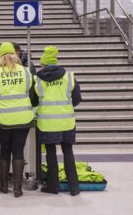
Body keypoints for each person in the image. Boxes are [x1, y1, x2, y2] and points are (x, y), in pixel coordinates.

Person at [0, 42, 36, 197]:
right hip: (23, 117)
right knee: (18, 150)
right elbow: (33, 95)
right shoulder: (26, 72)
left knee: (4, 150)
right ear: (15, 54)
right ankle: (17, 189)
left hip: (2, 118)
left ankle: (3, 187)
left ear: (0, 56)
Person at [32, 46, 81, 196]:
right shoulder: (69, 76)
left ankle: (54, 186)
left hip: (47, 123)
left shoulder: (37, 79)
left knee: (51, 153)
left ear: (43, 63)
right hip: (66, 122)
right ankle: (74, 188)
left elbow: (33, 101)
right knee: (68, 152)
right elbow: (77, 99)